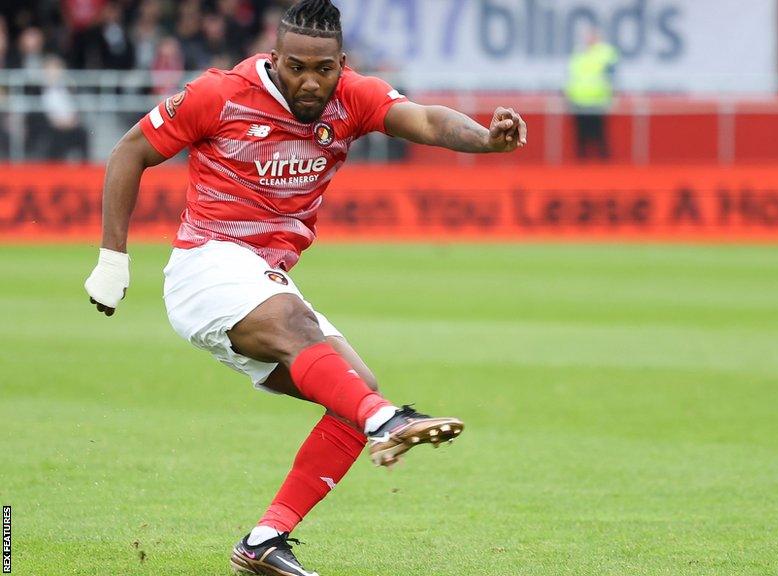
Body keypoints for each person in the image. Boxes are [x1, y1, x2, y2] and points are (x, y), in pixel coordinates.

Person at [83, 1, 527, 575]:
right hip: (207, 263)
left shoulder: (354, 97)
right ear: (274, 59)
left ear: (342, 63)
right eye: (296, 67)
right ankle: (387, 422)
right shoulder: (218, 95)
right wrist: (113, 259)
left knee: (354, 389)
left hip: (265, 274)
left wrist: (486, 139)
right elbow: (130, 151)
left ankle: (266, 539)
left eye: (324, 69)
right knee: (316, 347)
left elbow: (425, 120)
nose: (310, 81)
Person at [564, 28, 617, 161]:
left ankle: (604, 164)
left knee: (599, 133)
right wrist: (568, 97)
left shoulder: (605, 53)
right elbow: (571, 77)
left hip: (598, 100)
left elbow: (612, 74)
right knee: (581, 135)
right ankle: (582, 164)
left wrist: (611, 98)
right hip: (579, 100)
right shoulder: (579, 54)